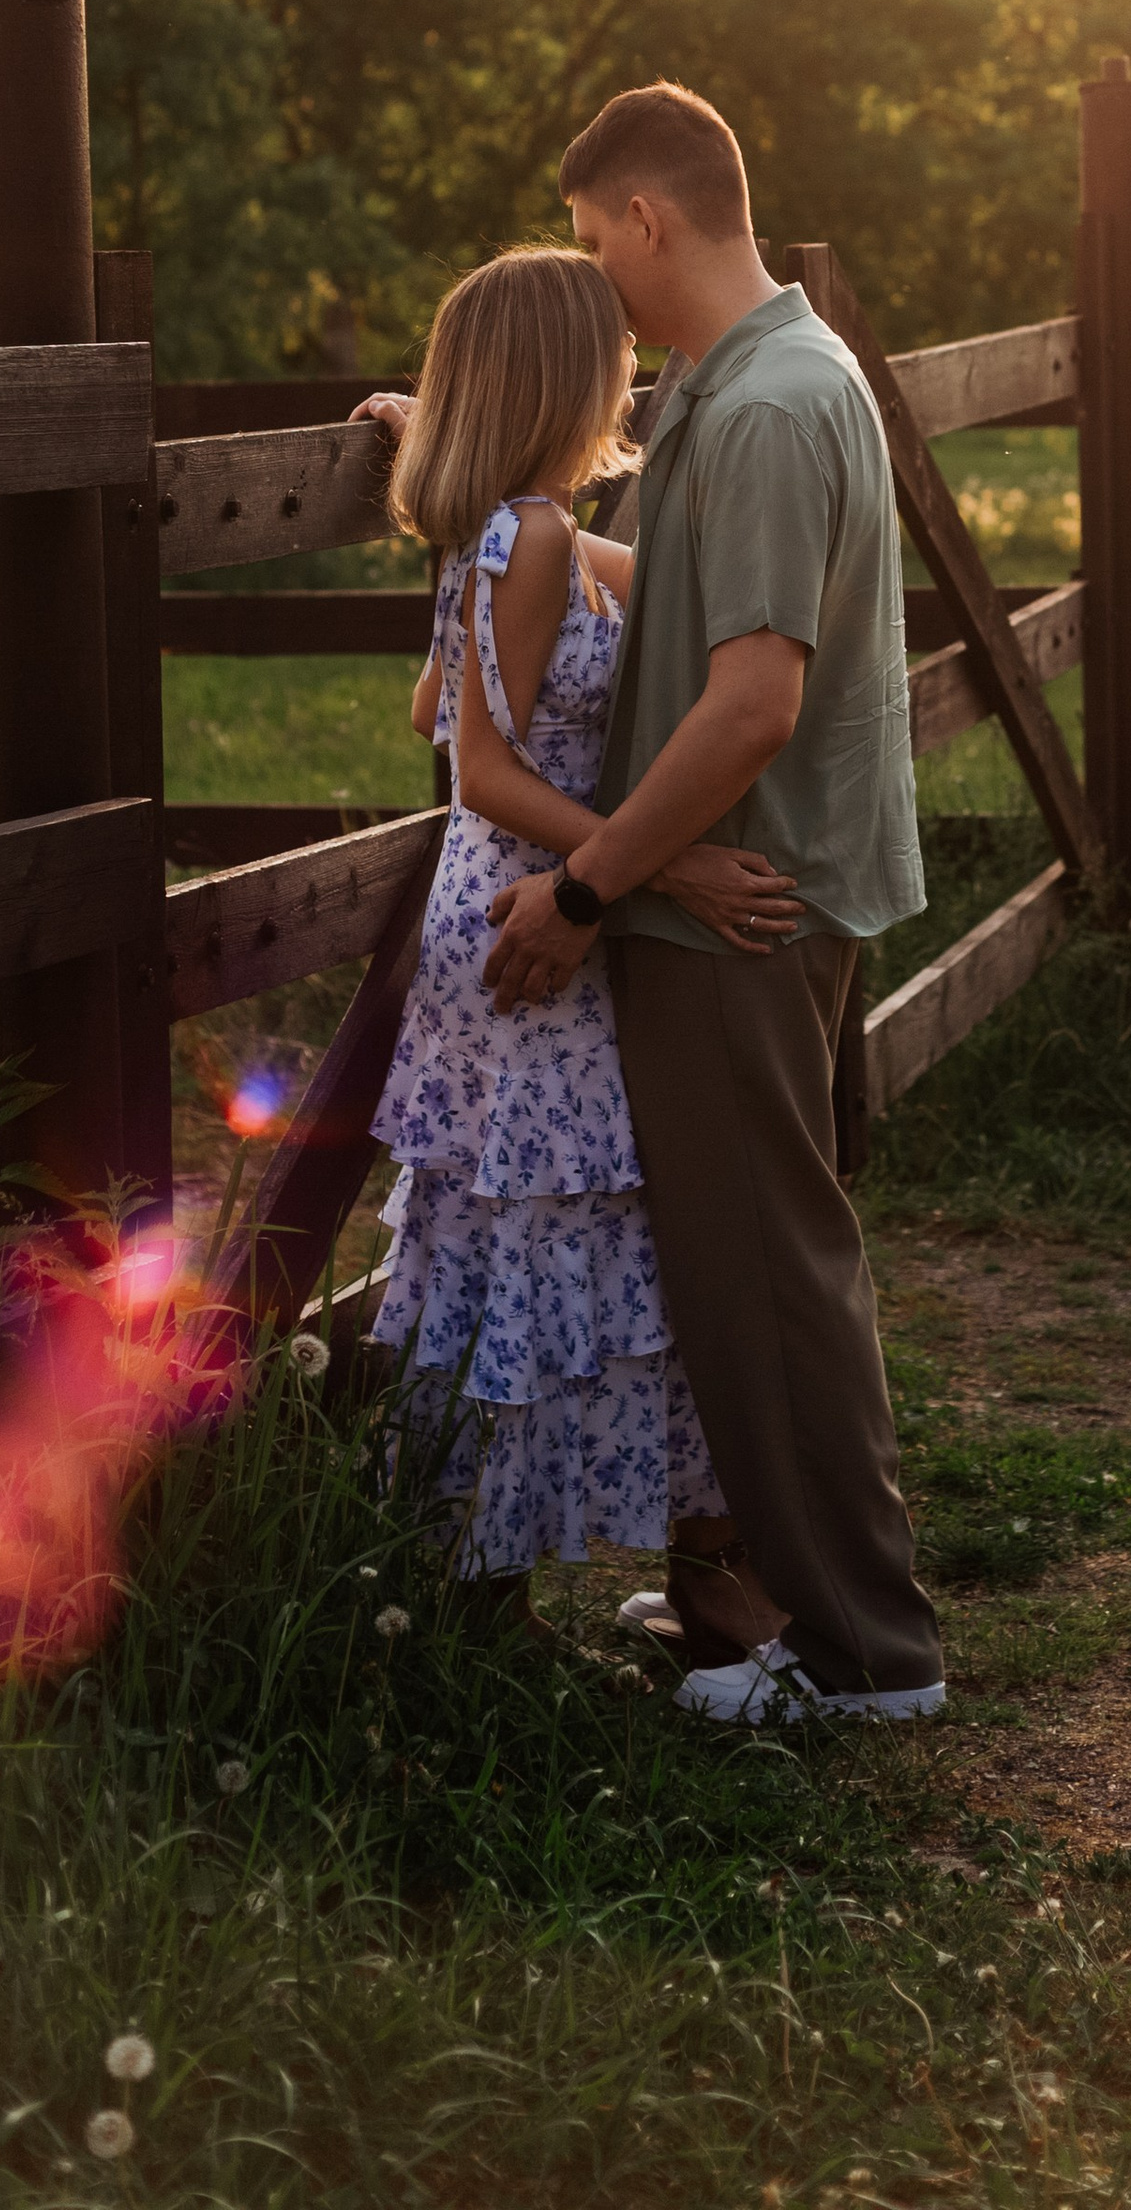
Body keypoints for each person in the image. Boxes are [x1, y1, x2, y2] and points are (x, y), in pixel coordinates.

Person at [482, 84, 946, 1723]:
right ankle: (821, 1613)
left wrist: (588, 888)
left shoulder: (754, 410)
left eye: (593, 231)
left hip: (735, 910)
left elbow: (751, 699)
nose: (590, 265)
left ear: (648, 220)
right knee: (768, 1267)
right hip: (769, 893)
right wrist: (451, 446)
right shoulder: (750, 379)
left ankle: (860, 1659)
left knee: (769, 1278)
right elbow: (651, 581)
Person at [353, 247, 801, 1631]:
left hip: (511, 926)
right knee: (557, 1249)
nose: (632, 370)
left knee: (519, 1248)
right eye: (612, 354)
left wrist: (434, 453)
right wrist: (668, 871)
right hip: (524, 931)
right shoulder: (525, 538)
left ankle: (474, 1582)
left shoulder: (509, 528)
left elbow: (442, 701)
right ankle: (490, 1587)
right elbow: (477, 769)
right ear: (565, 376)